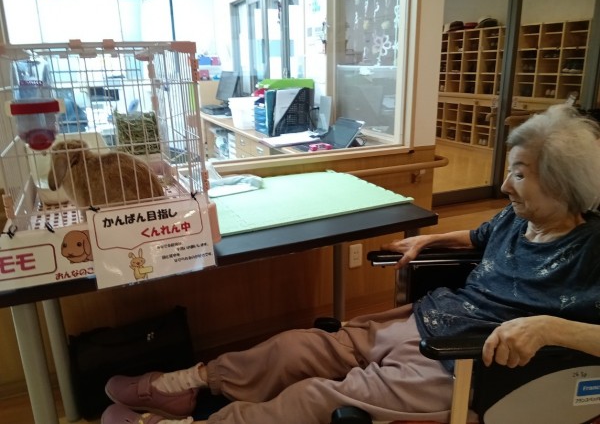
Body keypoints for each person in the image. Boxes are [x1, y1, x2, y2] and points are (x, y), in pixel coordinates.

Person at [101, 104, 600, 424]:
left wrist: (548, 327)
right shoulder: (515, 217)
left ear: (563, 183)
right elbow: (476, 236)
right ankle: (182, 387)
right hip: (425, 319)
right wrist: (429, 240)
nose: (505, 186)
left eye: (519, 175)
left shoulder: (591, 247)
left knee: (317, 397)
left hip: (465, 361)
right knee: (296, 348)